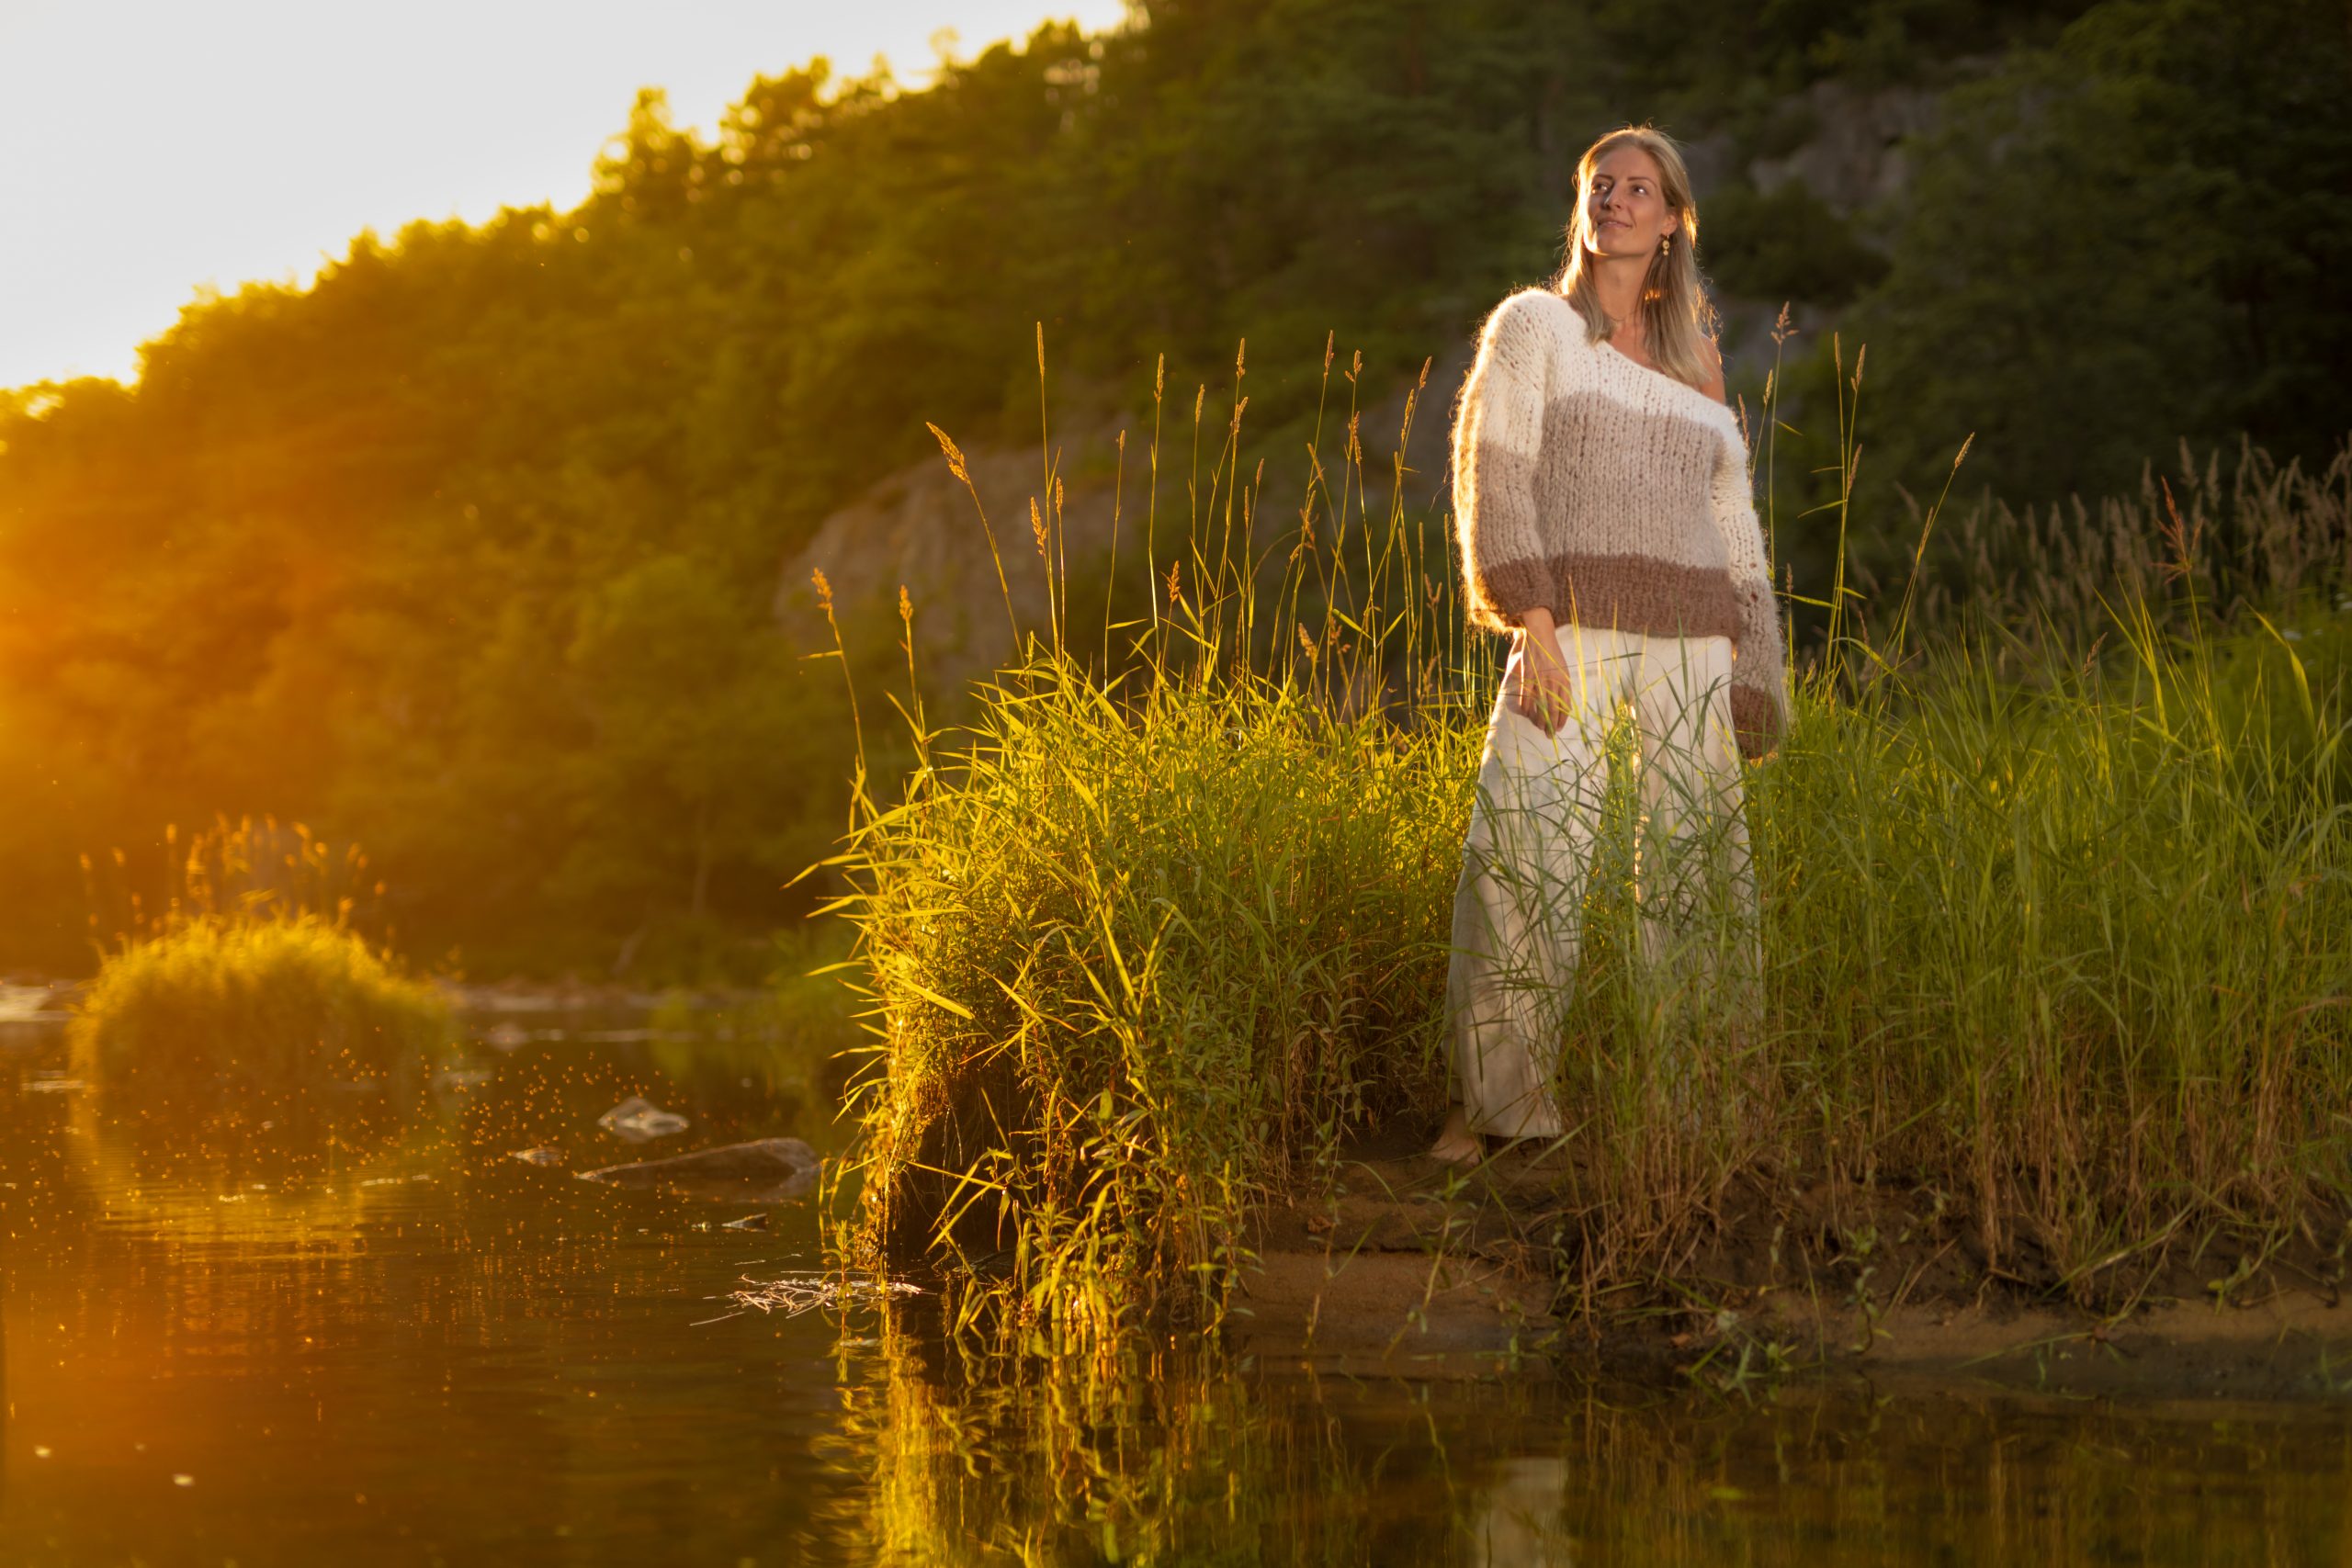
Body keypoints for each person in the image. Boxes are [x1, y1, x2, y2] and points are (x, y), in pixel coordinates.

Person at [1429, 124, 1789, 1166]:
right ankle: (1501, 1108)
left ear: (1673, 219)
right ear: (1581, 206)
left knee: (1697, 865)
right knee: (1519, 846)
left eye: (1640, 189)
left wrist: (1755, 668)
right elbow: (1495, 469)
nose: (1617, 201)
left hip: (1692, 640)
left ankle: (1704, 1103)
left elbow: (1735, 527)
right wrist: (1528, 616)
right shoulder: (1535, 325)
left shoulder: (1697, 364)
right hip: (1569, 624)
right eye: (1601, 186)